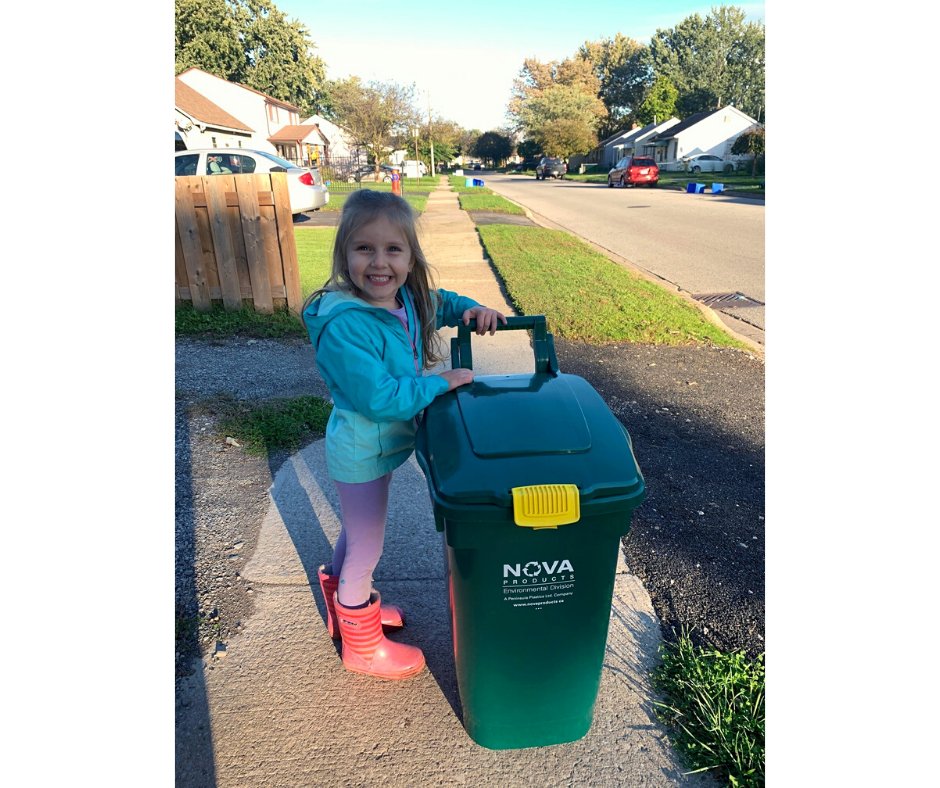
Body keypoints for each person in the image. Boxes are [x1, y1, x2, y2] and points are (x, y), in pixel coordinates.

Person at [302, 189, 506, 680]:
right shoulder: (346, 324)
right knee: (368, 546)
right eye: (364, 249)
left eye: (393, 249)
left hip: (376, 447)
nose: (379, 262)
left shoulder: (405, 301)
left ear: (410, 256)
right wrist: (438, 383)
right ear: (344, 255)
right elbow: (378, 398)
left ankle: (340, 600)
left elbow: (440, 302)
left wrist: (473, 309)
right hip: (360, 448)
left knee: (357, 531)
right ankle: (361, 642)